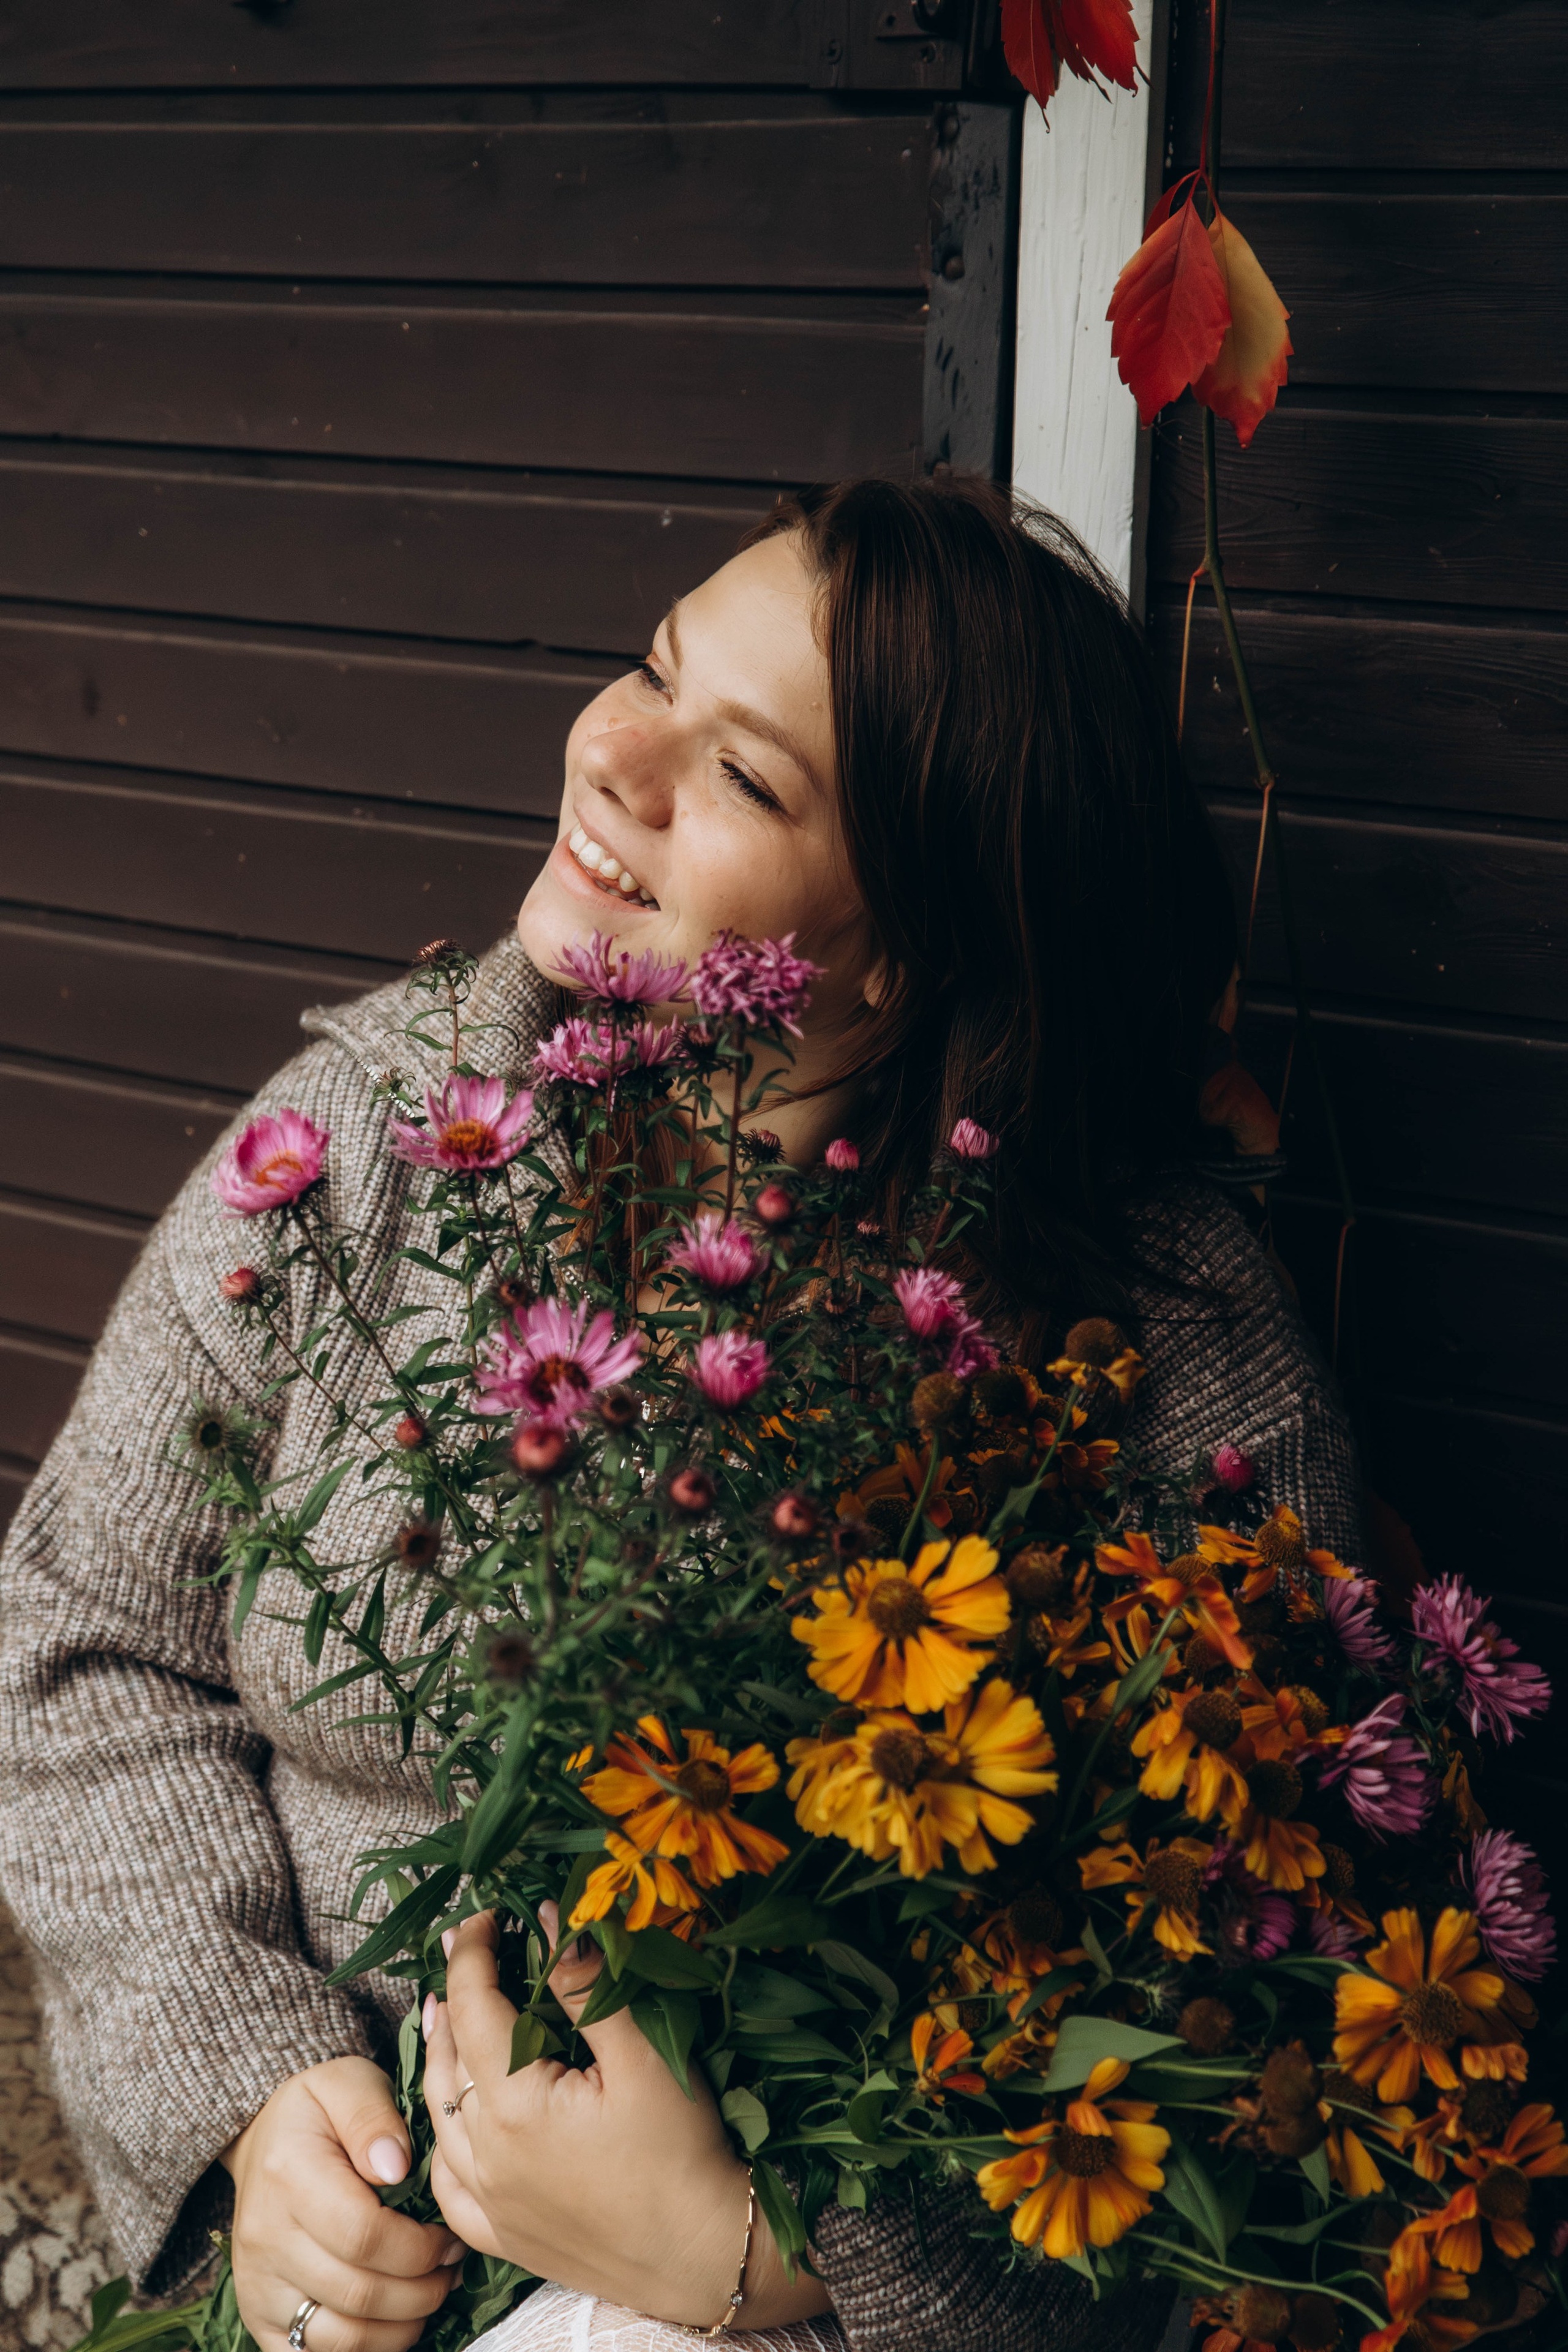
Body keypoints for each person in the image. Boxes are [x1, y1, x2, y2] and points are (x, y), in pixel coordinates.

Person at [0, 480, 1359, 2352]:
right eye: (652, 670)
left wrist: (776, 2260)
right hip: (358, 2256)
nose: (612, 758)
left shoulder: (1156, 1364)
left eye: (743, 777)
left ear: (906, 944)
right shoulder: (374, 1137)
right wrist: (255, 2108)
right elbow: (79, 1631)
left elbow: (1279, 2002)